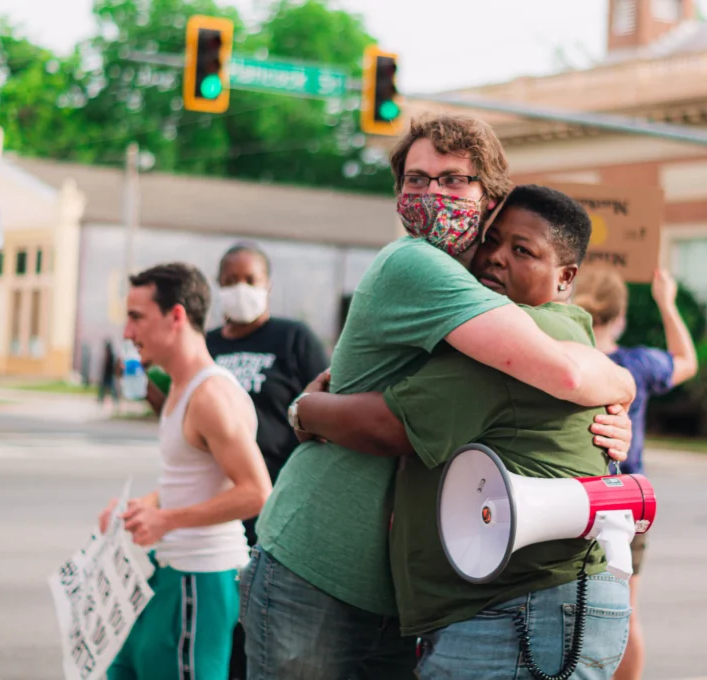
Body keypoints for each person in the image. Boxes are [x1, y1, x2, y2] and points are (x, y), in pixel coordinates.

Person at [242, 114, 637, 679]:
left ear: (490, 199)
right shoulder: (416, 262)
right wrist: (624, 384)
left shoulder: (480, 285)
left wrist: (619, 395)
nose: (432, 194)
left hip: (396, 596)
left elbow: (548, 375)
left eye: (453, 180)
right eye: (416, 179)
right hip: (319, 563)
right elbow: (563, 374)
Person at [101, 262, 273, 680]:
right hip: (171, 571)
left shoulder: (210, 395)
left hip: (202, 578)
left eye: (137, 317)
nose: (127, 332)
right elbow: (191, 479)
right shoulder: (180, 384)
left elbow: (257, 492)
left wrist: (165, 519)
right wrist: (143, 506)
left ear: (176, 316)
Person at [572, 265, 698, 680]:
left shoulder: (565, 358)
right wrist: (666, 301)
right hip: (626, 502)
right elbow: (686, 361)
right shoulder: (638, 364)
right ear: (620, 317)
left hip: (569, 499)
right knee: (625, 611)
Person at [98, 340, 122, 409]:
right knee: (103, 390)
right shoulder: (108, 356)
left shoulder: (111, 356)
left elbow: (112, 366)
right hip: (106, 376)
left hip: (110, 376)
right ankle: (101, 401)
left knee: (111, 390)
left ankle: (116, 402)